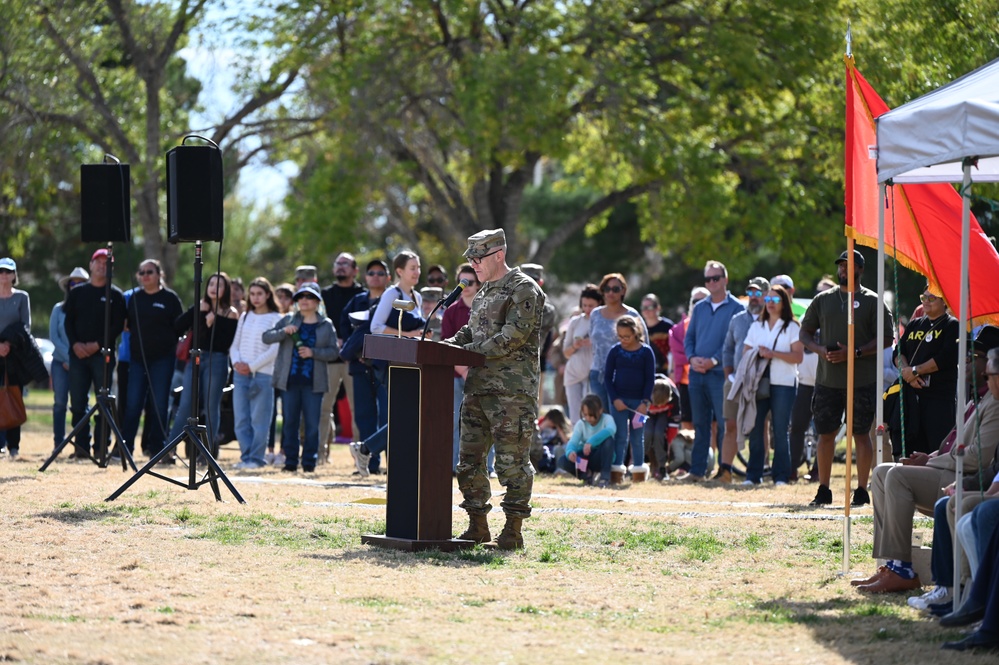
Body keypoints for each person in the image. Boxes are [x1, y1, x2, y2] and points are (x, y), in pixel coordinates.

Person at [853, 348, 999, 593]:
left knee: (897, 476)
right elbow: (951, 445)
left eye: (971, 359)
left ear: (987, 366)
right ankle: (890, 564)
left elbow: (977, 457)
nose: (963, 362)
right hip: (946, 468)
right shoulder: (975, 398)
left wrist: (931, 463)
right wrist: (929, 456)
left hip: (959, 477)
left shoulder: (994, 403)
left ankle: (902, 571)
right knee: (880, 473)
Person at [445, 228, 545, 550]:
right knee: (469, 462)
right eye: (471, 258)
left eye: (478, 257)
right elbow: (469, 332)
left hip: (512, 394)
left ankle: (513, 531)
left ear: (498, 255)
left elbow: (512, 337)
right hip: (478, 389)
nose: (473, 264)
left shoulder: (524, 289)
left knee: (510, 463)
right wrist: (445, 347)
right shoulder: (484, 291)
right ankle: (477, 526)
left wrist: (468, 353)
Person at [799, 249, 894, 506]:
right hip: (828, 379)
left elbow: (887, 338)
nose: (844, 269)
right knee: (825, 434)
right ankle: (823, 488)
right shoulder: (823, 300)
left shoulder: (873, 301)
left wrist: (855, 352)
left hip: (861, 379)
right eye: (841, 265)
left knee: (861, 435)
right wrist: (820, 350)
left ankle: (862, 489)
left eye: (849, 265)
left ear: (860, 270)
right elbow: (805, 333)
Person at [264, 282, 339, 473]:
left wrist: (313, 352)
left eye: (309, 297)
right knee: (289, 422)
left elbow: (333, 352)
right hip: (289, 381)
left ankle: (309, 462)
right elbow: (266, 337)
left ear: (317, 301)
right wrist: (284, 332)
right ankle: (290, 462)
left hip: (314, 383)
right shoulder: (289, 319)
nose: (304, 301)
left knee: (312, 424)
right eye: (300, 297)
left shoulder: (326, 324)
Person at [682, 261, 743, 482]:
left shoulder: (737, 308)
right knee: (700, 425)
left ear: (725, 280)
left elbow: (734, 342)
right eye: (708, 279)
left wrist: (714, 360)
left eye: (715, 278)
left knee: (726, 423)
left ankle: (723, 470)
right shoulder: (699, 308)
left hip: (721, 375)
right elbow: (689, 339)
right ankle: (697, 471)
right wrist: (692, 358)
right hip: (697, 374)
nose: (711, 283)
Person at [64, 249, 127, 460]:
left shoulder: (116, 295)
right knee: (78, 404)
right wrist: (75, 345)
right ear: (90, 265)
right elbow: (68, 322)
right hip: (78, 356)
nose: (102, 266)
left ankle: (101, 448)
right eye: (98, 262)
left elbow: (118, 325)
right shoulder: (77, 293)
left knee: (104, 402)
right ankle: (80, 449)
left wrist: (97, 344)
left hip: (103, 355)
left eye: (106, 263)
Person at [167, 271, 239, 452]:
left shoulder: (231, 313)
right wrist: (196, 311)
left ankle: (208, 451)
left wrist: (214, 322)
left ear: (226, 289)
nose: (214, 288)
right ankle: (168, 449)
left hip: (218, 360)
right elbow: (177, 326)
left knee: (210, 406)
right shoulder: (201, 307)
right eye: (211, 284)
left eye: (219, 285)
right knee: (185, 405)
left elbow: (225, 343)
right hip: (195, 359)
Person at [120, 259, 184, 461]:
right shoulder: (134, 299)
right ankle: (125, 448)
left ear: (159, 275)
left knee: (159, 404)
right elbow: (126, 326)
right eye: (141, 272)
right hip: (138, 360)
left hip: (163, 360)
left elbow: (180, 327)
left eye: (149, 271)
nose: (145, 275)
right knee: (132, 404)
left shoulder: (170, 298)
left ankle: (157, 449)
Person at [740, 285, 803, 486]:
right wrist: (758, 354)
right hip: (759, 383)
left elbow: (798, 357)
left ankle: (781, 476)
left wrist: (772, 354)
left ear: (784, 303)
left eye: (775, 300)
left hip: (784, 383)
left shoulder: (792, 326)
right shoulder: (756, 326)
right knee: (756, 429)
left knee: (780, 429)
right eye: (768, 300)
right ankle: (753, 475)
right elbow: (745, 352)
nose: (770, 304)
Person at [714, 276, 769, 484]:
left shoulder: (771, 320)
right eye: (751, 293)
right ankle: (725, 470)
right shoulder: (737, 319)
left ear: (766, 295)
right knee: (729, 425)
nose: (753, 298)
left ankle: (761, 469)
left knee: (760, 425)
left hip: (760, 382)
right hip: (735, 380)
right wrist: (729, 373)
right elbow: (727, 348)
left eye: (758, 293)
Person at [893, 284, 959, 455]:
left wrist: (915, 371)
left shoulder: (952, 325)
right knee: (911, 450)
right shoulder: (914, 324)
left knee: (937, 449)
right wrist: (907, 372)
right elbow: (898, 352)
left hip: (939, 400)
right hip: (911, 399)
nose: (926, 302)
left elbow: (946, 357)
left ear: (944, 302)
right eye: (924, 298)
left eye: (932, 298)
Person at [341, 259, 392, 477]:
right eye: (371, 273)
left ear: (388, 277)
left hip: (386, 367)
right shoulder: (357, 301)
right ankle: (370, 465)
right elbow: (345, 330)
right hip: (359, 367)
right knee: (364, 416)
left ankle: (394, 465)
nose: (376, 276)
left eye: (380, 273)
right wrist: (359, 353)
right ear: (365, 277)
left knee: (389, 416)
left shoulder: (392, 299)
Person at [229, 277, 282, 470]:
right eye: (252, 294)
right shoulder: (245, 316)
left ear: (268, 294)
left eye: (260, 294)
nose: (256, 298)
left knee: (259, 420)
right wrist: (236, 362)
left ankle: (257, 459)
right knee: (241, 419)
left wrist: (251, 366)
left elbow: (274, 350)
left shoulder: (276, 318)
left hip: (263, 374)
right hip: (240, 374)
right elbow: (235, 345)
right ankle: (246, 457)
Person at [439, 263, 485, 474]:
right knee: (456, 423)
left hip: (483, 374)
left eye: (470, 282)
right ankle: (454, 467)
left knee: (485, 423)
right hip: (455, 376)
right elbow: (446, 344)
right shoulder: (450, 311)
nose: (466, 286)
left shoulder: (486, 307)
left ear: (478, 284)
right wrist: (463, 371)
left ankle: (487, 467)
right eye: (462, 282)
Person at [791, 275, 837, 482]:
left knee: (824, 430)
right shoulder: (808, 317)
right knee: (797, 426)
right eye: (818, 292)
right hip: (805, 382)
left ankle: (819, 470)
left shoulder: (837, 319)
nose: (820, 296)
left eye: (824, 292)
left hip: (827, 382)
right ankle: (791, 469)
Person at [319, 253, 364, 460]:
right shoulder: (324, 295)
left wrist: (348, 343)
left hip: (354, 359)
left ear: (355, 270)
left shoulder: (362, 295)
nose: (340, 268)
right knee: (323, 407)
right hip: (328, 358)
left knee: (358, 409)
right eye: (337, 264)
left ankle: (360, 457)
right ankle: (320, 454)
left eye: (345, 264)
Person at [605, 315, 655, 483]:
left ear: (635, 333)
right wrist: (615, 400)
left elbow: (650, 379)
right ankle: (617, 470)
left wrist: (645, 402)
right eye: (620, 336)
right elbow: (607, 378)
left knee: (637, 437)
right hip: (619, 403)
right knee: (619, 436)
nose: (623, 340)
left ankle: (639, 472)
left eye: (627, 336)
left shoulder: (646, 352)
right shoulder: (615, 351)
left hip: (639, 404)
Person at [589, 273, 647, 416]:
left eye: (615, 289)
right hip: (598, 374)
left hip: (622, 376)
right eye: (607, 289)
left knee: (618, 422)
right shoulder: (595, 314)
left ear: (623, 291)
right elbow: (593, 342)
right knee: (601, 420)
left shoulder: (632, 315)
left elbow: (644, 347)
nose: (610, 293)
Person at [50, 267, 88, 450]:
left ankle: (80, 445)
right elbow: (54, 337)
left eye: (81, 283)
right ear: (68, 286)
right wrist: (69, 357)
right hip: (60, 363)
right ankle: (59, 442)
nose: (76, 286)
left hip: (81, 364)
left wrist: (74, 360)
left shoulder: (88, 310)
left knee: (80, 403)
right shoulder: (58, 309)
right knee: (60, 403)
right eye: (73, 283)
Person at [0, 257, 31, 459]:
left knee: (14, 396)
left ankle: (14, 445)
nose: (4, 276)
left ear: (14, 275)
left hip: (14, 355)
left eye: (8, 272)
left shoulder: (22, 297)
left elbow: (25, 325)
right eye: (1, 272)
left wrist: (8, 345)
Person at [562, 284, 603, 426]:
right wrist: (575, 345)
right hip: (573, 374)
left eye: (591, 306)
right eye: (584, 305)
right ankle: (575, 447)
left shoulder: (603, 322)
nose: (587, 309)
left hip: (593, 376)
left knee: (591, 416)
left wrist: (594, 343)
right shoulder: (575, 322)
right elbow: (566, 353)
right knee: (575, 418)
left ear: (599, 304)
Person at [670, 286, 708, 430]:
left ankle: (711, 453)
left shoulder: (715, 325)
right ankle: (689, 452)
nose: (698, 304)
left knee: (711, 422)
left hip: (710, 377)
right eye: (695, 301)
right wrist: (696, 358)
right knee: (687, 421)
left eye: (703, 300)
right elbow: (678, 354)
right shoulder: (678, 329)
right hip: (687, 382)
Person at [556, 394, 616, 486]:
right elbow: (573, 441)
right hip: (584, 459)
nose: (588, 418)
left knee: (609, 440)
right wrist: (570, 452)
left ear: (600, 410)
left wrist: (590, 442)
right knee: (562, 461)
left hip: (601, 457)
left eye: (591, 415)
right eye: (585, 415)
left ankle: (604, 478)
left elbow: (611, 429)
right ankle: (586, 476)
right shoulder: (581, 424)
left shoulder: (607, 419)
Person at [267, 282, 295, 465]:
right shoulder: (272, 317)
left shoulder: (295, 319)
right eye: (279, 296)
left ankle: (284, 450)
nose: (282, 300)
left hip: (287, 372)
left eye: (286, 297)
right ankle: (269, 450)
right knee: (269, 412)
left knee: (287, 413)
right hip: (270, 370)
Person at [370, 250, 424, 338]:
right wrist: (408, 335)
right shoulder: (391, 293)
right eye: (412, 268)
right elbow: (376, 327)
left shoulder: (418, 297)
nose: (417, 272)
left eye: (418, 267)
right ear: (400, 271)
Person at [643, 374, 681, 480]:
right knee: (647, 433)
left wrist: (669, 443)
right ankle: (640, 463)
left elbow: (674, 425)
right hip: (647, 414)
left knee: (659, 434)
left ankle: (661, 467)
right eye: (656, 403)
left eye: (662, 403)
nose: (659, 407)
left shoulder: (675, 397)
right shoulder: (644, 389)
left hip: (665, 415)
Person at [640, 293, 674, 375]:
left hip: (666, 373)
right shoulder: (639, 328)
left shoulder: (668, 327)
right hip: (646, 373)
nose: (646, 310)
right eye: (644, 307)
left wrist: (673, 371)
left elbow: (675, 351)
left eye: (650, 307)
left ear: (658, 308)